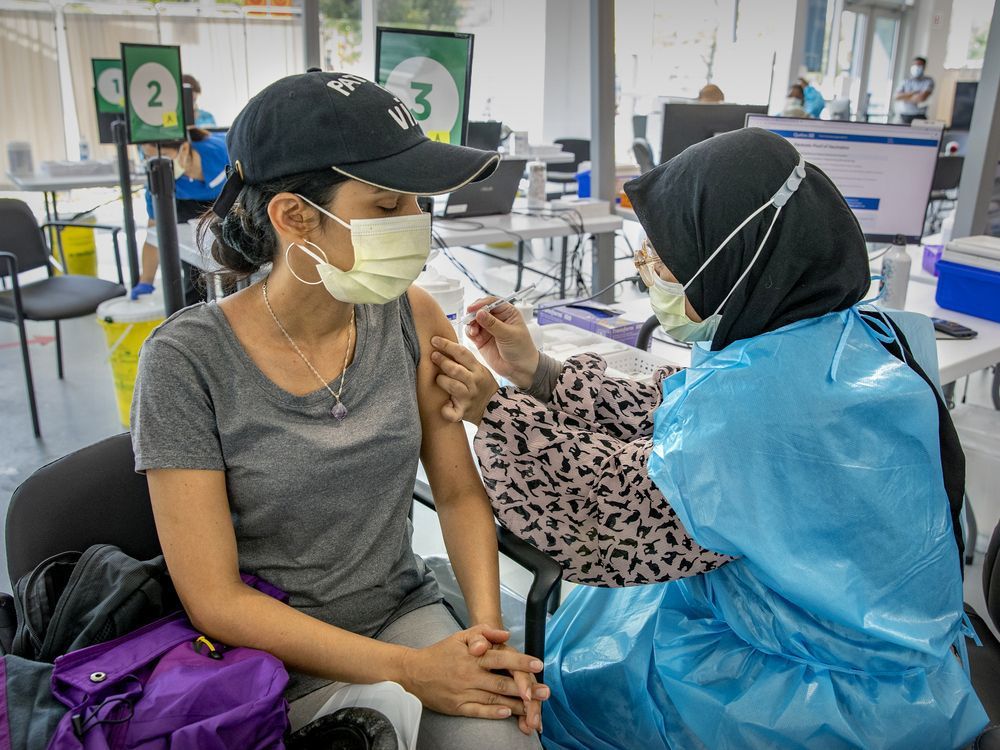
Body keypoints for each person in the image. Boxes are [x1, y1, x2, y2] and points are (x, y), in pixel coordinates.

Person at [429, 127, 988, 748]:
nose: (648, 275)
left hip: (827, 697)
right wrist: (538, 374)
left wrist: (495, 412)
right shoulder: (844, 333)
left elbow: (615, 507)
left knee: (567, 688)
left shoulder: (763, 404)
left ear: (734, 259)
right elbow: (681, 408)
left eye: (663, 260)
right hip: (898, 649)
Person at [130, 71, 545, 748]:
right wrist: (413, 672)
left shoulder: (410, 316)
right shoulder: (185, 363)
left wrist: (481, 637)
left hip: (399, 617)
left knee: (501, 737)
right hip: (265, 657)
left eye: (418, 201)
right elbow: (216, 600)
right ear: (295, 217)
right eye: (386, 206)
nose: (415, 222)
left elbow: (459, 492)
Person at [131, 128, 229, 300]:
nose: (156, 164)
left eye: (165, 156)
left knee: (232, 266)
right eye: (148, 158)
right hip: (187, 208)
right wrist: (146, 281)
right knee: (194, 272)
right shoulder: (160, 182)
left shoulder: (223, 152)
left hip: (227, 199)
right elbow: (155, 232)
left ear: (184, 149)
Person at [895, 56, 935, 124]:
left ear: (924, 67)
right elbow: (897, 97)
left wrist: (904, 97)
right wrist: (914, 93)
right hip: (904, 116)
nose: (917, 67)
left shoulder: (928, 81)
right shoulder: (905, 80)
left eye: (920, 65)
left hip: (919, 116)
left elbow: (921, 98)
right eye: (915, 65)